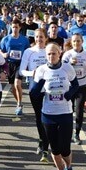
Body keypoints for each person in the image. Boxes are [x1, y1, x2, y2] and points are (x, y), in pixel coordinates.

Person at [29, 42, 79, 170]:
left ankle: (69, 168)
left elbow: (76, 85)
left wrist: (68, 94)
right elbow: (33, 93)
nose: (51, 56)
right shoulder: (41, 70)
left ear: (60, 54)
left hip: (65, 113)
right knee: (55, 149)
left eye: (54, 53)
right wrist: (40, 83)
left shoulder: (67, 68)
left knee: (65, 148)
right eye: (49, 54)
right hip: (48, 114)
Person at [19, 28, 51, 161]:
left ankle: (45, 146)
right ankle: (41, 140)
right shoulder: (29, 52)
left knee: (47, 116)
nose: (39, 39)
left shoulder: (49, 50)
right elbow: (21, 71)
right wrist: (31, 73)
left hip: (50, 88)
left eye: (41, 37)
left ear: (46, 38)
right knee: (39, 117)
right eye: (37, 37)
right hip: (35, 88)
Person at [62, 33, 86, 145]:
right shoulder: (67, 54)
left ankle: (77, 134)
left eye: (78, 41)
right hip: (70, 85)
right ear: (71, 42)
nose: (76, 43)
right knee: (68, 110)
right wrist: (69, 63)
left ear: (82, 42)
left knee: (79, 111)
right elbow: (61, 68)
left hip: (82, 85)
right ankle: (67, 132)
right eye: (74, 41)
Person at [0, 20, 29, 116]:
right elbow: (0, 50)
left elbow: (28, 51)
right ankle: (18, 102)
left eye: (16, 27)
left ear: (20, 28)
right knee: (12, 88)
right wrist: (3, 54)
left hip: (20, 64)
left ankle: (19, 104)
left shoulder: (24, 40)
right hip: (9, 64)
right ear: (11, 27)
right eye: (13, 27)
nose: (15, 29)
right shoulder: (6, 39)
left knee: (17, 84)